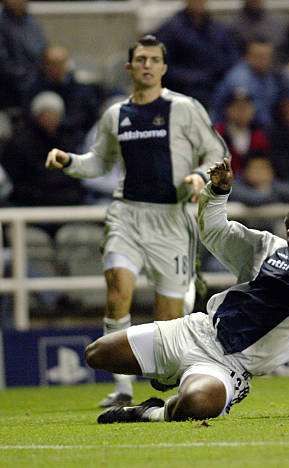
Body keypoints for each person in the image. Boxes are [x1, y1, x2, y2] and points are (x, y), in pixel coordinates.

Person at [88, 159, 289, 423]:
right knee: (97, 354)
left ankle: (150, 412)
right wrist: (217, 193)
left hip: (231, 366)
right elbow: (215, 232)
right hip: (197, 331)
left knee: (197, 402)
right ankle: (170, 373)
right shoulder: (267, 246)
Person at [45, 35, 228, 408]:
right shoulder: (116, 114)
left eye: (153, 59)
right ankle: (123, 388)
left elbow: (216, 152)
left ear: (163, 67)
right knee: (117, 293)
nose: (146, 65)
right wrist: (69, 162)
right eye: (140, 59)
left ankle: (169, 381)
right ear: (129, 67)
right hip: (127, 215)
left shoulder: (184, 108)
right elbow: (100, 161)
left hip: (172, 220)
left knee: (168, 319)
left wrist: (199, 175)